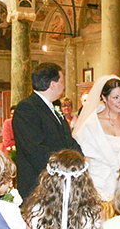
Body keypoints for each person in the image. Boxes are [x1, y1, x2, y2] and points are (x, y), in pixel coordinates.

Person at [73, 76, 120, 201]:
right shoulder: (92, 124)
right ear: (104, 98)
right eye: (115, 97)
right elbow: (82, 157)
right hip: (98, 185)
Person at [12, 63, 82, 199]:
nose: (64, 86)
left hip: (62, 181)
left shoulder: (54, 107)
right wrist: (63, 170)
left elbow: (68, 140)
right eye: (62, 81)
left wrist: (80, 159)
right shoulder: (27, 108)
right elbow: (34, 150)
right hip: (40, 184)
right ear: (52, 84)